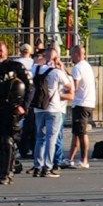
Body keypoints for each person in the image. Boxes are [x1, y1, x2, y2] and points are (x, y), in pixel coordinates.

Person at [31, 47, 72, 178]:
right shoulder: (56, 72)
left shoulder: (35, 69)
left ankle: (37, 166)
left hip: (38, 108)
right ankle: (47, 167)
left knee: (40, 138)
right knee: (51, 138)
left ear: (43, 56)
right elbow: (69, 86)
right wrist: (61, 67)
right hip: (54, 108)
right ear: (55, 58)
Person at [0, 41, 31, 185]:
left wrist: (23, 106)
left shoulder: (15, 66)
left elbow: (30, 87)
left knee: (7, 141)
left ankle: (7, 174)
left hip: (10, 110)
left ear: (6, 50)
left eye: (1, 49)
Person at [67, 43, 96, 170]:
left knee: (82, 132)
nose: (70, 57)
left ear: (78, 54)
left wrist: (65, 89)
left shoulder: (77, 68)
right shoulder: (87, 66)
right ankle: (70, 158)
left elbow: (75, 86)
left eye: (72, 54)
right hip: (87, 103)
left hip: (81, 103)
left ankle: (84, 160)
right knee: (76, 132)